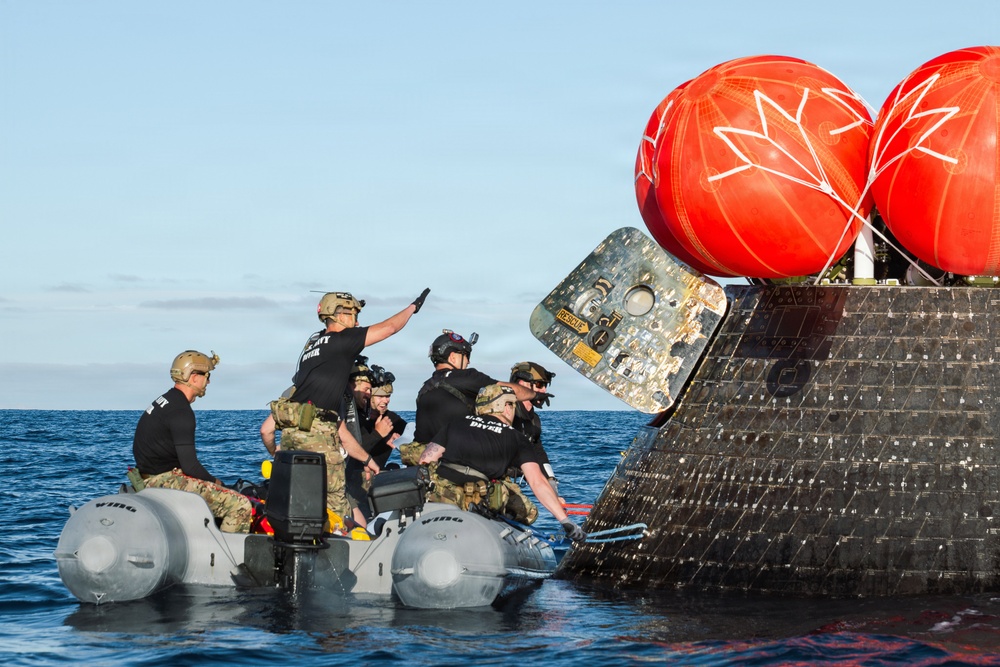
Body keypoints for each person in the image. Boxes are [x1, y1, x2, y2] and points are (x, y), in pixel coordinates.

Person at [273, 288, 429, 523]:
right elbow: (390, 328)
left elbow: (336, 428)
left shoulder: (311, 350)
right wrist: (413, 308)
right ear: (337, 314)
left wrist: (368, 461)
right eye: (353, 314)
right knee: (340, 510)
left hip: (293, 437)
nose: (357, 322)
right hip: (320, 439)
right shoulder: (342, 340)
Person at [417, 384, 585, 542]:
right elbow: (537, 482)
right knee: (530, 512)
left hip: (440, 493)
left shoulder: (455, 423)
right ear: (505, 407)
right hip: (476, 498)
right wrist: (565, 521)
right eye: (512, 405)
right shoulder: (516, 437)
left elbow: (425, 460)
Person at [133, 350, 253, 533]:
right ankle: (229, 560)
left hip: (148, 477)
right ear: (194, 376)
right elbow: (191, 466)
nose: (209, 381)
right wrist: (217, 483)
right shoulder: (181, 411)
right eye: (207, 375)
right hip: (163, 482)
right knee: (240, 504)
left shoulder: (164, 400)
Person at [401, 330, 537, 465]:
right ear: (453, 357)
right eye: (466, 355)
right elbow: (510, 391)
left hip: (424, 462)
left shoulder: (425, 388)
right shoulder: (467, 377)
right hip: (453, 461)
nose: (468, 361)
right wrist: (535, 394)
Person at [508, 361, 561, 498]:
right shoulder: (506, 412)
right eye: (539, 385)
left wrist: (551, 485)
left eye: (545, 386)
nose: (543, 391)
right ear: (521, 384)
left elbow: (538, 453)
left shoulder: (534, 420)